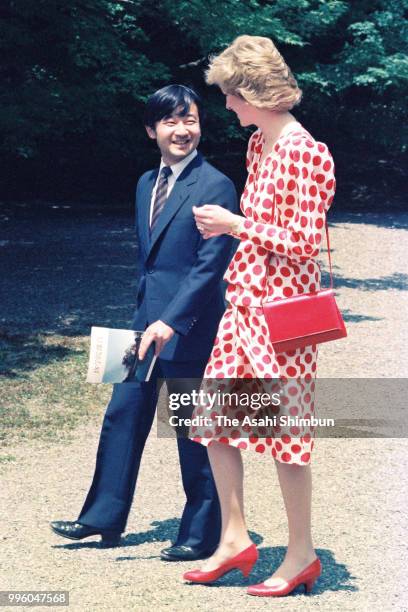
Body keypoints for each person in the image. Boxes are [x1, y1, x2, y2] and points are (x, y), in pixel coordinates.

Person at [50, 84, 238, 562]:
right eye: (172, 121)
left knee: (191, 430)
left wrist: (172, 321)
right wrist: (146, 317)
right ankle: (101, 518)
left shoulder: (215, 185)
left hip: (192, 327)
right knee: (122, 416)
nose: (183, 130)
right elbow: (151, 264)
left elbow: (208, 267)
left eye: (191, 119)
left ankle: (200, 533)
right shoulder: (142, 184)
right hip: (141, 325)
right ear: (152, 130)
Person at [181, 36, 336, 595]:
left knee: (287, 437)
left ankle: (301, 555)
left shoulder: (307, 152)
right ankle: (233, 538)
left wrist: (233, 224)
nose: (226, 106)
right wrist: (234, 227)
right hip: (242, 304)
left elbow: (303, 243)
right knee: (215, 421)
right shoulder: (259, 148)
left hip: (285, 317)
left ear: (253, 92)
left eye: (229, 95)